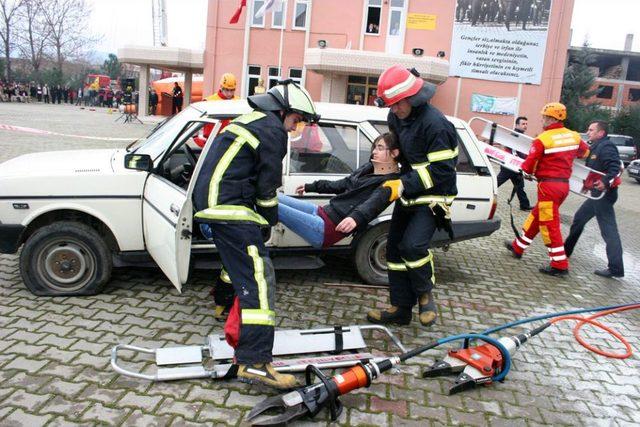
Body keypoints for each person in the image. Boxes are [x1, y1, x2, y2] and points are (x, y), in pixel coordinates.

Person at [192, 80, 320, 389]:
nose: (294, 127)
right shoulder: (272, 131)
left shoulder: (248, 120)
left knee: (241, 268)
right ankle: (255, 361)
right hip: (230, 208)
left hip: (217, 205)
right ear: (281, 112)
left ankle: (224, 304)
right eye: (295, 119)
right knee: (261, 279)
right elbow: (266, 188)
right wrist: (268, 222)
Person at [366, 65, 458, 327]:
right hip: (408, 191)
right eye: (391, 105)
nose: (394, 110)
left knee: (413, 246)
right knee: (394, 251)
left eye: (397, 104)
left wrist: (403, 184)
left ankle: (425, 296)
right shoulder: (397, 116)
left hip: (433, 196)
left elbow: (441, 172)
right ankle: (400, 309)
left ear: (413, 97)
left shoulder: (437, 126)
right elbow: (399, 150)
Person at [504, 102, 589, 276]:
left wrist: (525, 172)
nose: (542, 119)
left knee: (550, 226)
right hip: (563, 185)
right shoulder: (573, 136)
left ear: (551, 117)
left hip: (548, 187)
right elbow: (584, 153)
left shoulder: (543, 139)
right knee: (536, 217)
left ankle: (559, 265)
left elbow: (529, 164)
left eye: (544, 116)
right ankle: (518, 247)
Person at [279, 132, 400, 248]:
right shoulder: (368, 169)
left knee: (273, 206)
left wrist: (356, 217)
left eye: (380, 148)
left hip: (325, 228)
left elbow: (374, 203)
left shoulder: (391, 183)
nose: (374, 151)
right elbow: (342, 184)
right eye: (374, 147)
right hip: (322, 212)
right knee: (275, 198)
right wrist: (311, 186)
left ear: (394, 153)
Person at [564, 120, 624, 278]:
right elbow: (593, 169)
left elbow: (615, 168)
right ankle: (566, 251)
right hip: (596, 195)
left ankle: (616, 268)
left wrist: (605, 182)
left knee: (609, 231)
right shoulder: (596, 146)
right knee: (579, 219)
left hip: (604, 195)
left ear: (601, 133)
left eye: (591, 130)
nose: (588, 132)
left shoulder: (607, 146)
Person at [496, 116, 533, 210]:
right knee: (496, 183)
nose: (525, 126)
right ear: (517, 125)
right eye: (523, 124)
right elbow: (515, 152)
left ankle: (524, 205)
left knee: (520, 186)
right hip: (509, 166)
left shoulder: (521, 136)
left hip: (515, 166)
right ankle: (483, 195)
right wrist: (525, 159)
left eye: (526, 124)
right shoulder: (514, 135)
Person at [194, 73, 240, 147]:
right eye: (227, 90)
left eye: (232, 90)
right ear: (221, 87)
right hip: (212, 143)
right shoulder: (209, 101)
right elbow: (196, 122)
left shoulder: (239, 102)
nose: (229, 93)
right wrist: (196, 138)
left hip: (232, 143)